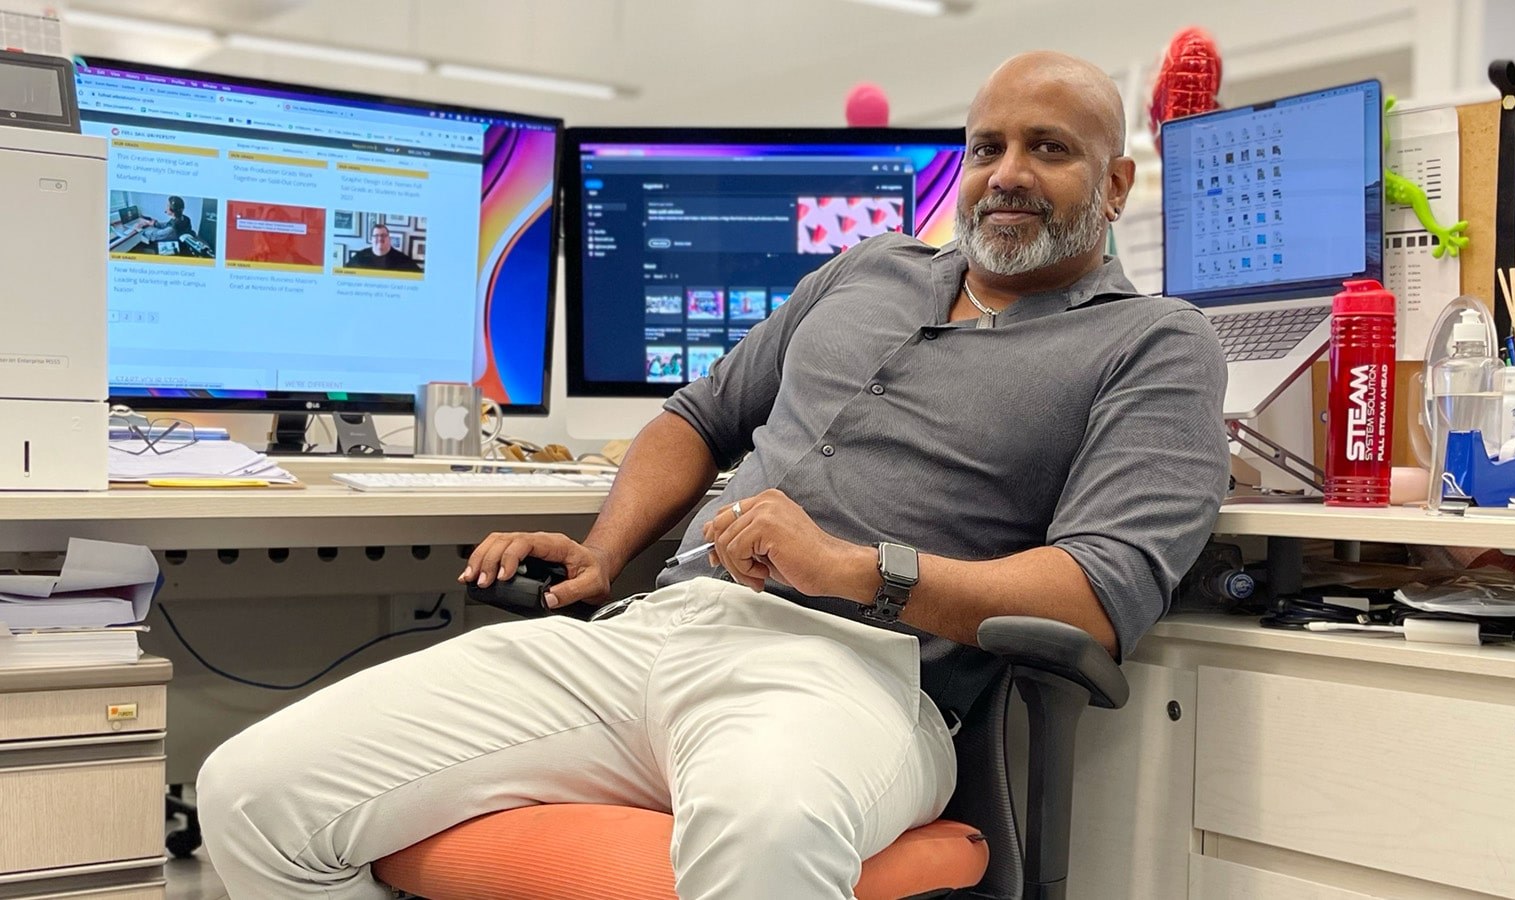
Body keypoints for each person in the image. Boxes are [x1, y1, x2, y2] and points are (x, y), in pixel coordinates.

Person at [197, 50, 1229, 899]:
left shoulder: (1153, 342)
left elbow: (1099, 592)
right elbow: (698, 418)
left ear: (1116, 184)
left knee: (764, 837)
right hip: (653, 633)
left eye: (1047, 149)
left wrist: (852, 568)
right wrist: (603, 554)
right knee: (251, 794)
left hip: (855, 673)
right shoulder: (864, 271)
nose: (1004, 172)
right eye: (984, 147)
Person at [344, 222, 422, 272]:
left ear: (389, 238)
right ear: (372, 239)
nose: (380, 238)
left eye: (384, 235)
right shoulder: (360, 257)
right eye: (376, 236)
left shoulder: (403, 259)